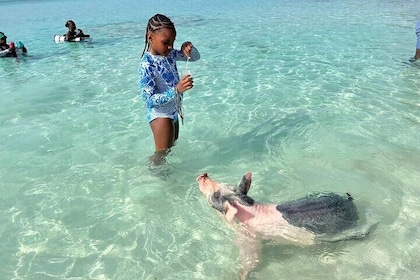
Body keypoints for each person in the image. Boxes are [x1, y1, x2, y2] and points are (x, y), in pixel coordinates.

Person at [138, 14, 200, 164]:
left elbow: (195, 57)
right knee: (160, 157)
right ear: (150, 37)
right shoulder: (147, 64)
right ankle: (154, 181)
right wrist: (176, 90)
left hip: (173, 111)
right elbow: (149, 100)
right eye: (166, 42)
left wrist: (189, 48)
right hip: (160, 115)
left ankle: (169, 181)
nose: (171, 46)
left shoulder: (170, 54)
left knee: (170, 151)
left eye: (173, 42)